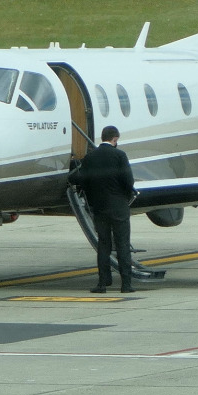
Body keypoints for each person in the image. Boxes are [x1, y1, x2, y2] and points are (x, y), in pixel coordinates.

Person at [71, 125, 136, 293]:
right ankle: (126, 284)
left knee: (103, 244)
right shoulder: (120, 155)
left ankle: (102, 283)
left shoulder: (89, 157)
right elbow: (129, 181)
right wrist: (124, 195)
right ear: (115, 139)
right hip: (119, 207)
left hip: (99, 207)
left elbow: (82, 181)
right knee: (122, 244)